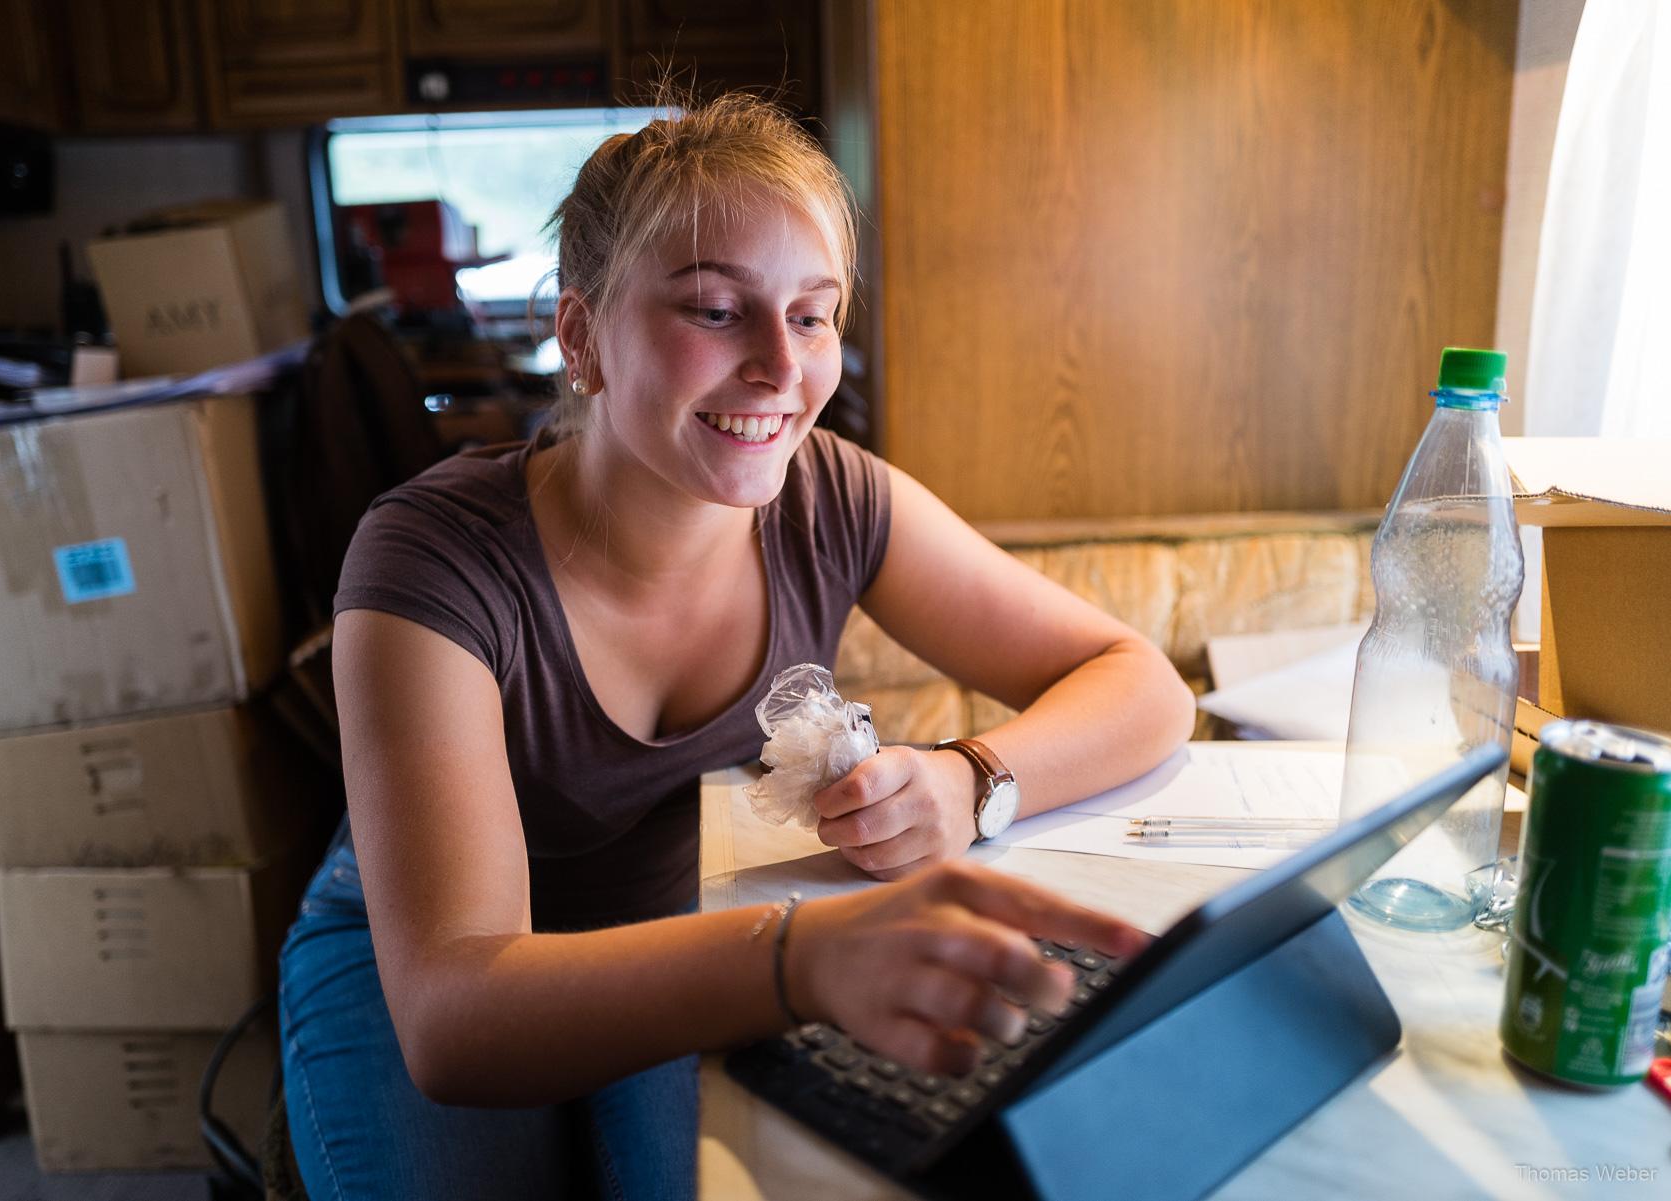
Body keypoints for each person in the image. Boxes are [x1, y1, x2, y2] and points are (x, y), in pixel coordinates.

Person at [278, 91, 1195, 1201]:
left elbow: (1141, 684)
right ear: (580, 336)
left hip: (674, 933)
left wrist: (971, 778)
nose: (779, 365)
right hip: (421, 953)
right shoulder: (430, 560)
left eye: (812, 316)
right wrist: (802, 957)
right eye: (716, 310)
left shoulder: (835, 498)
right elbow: (455, 1017)